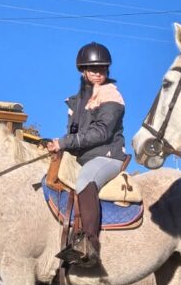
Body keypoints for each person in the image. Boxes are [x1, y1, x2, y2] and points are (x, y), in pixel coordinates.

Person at [46, 42, 126, 267]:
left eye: (102, 69)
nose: (99, 74)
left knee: (85, 179)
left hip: (108, 155)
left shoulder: (111, 96)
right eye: (94, 70)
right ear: (83, 71)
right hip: (83, 156)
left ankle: (89, 246)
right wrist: (56, 146)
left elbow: (101, 133)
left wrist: (63, 142)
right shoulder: (77, 101)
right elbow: (73, 133)